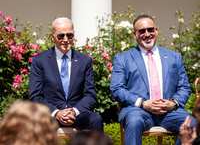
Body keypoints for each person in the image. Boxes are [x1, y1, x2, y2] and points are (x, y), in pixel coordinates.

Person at [110, 14, 196, 145]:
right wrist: (142, 103)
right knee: (133, 122)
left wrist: (173, 103)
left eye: (150, 29)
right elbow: (116, 90)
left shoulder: (174, 57)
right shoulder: (123, 59)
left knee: (194, 126)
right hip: (138, 111)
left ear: (156, 30)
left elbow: (184, 87)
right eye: (142, 31)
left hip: (170, 112)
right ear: (135, 34)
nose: (147, 34)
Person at [29, 17, 103, 131]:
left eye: (69, 35)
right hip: (51, 115)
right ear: (53, 37)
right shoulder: (40, 61)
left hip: (77, 115)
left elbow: (90, 95)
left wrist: (74, 111)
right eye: (60, 36)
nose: (66, 39)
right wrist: (57, 113)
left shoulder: (84, 60)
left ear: (74, 35)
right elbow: (35, 96)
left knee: (96, 120)